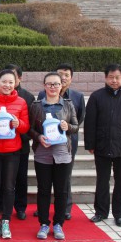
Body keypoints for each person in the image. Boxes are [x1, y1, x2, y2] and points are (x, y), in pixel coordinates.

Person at [84, 63, 121, 227]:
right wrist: (90, 144)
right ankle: (101, 212)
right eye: (111, 77)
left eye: (117, 77)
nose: (114, 80)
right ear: (105, 78)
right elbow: (90, 123)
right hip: (102, 145)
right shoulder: (96, 96)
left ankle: (119, 215)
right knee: (102, 181)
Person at [29, 72, 79, 240]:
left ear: (61, 86)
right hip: (43, 153)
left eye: (56, 84)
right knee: (43, 190)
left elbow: (76, 126)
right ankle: (44, 223)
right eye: (49, 84)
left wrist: (67, 126)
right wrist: (38, 137)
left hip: (62, 153)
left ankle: (58, 223)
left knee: (61, 190)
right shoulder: (36, 106)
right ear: (44, 86)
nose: (53, 87)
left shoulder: (68, 105)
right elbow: (30, 129)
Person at [0, 69, 30, 239]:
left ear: (16, 83)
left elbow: (26, 127)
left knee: (9, 187)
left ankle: (6, 220)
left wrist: (19, 124)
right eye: (4, 81)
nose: (7, 85)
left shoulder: (21, 102)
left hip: (13, 151)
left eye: (11, 82)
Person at [36, 63, 85, 220]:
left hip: (66, 144)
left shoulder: (76, 98)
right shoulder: (41, 97)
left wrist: (67, 127)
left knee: (64, 179)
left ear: (71, 78)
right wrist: (39, 136)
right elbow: (36, 120)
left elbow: (79, 120)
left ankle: (64, 210)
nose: (62, 78)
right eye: (59, 74)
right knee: (44, 184)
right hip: (45, 146)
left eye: (66, 75)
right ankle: (43, 212)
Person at [3, 64, 35, 221]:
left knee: (21, 177)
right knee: (3, 179)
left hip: (21, 145)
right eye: (5, 78)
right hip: (1, 146)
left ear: (19, 78)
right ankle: (3, 206)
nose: (8, 82)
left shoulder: (27, 97)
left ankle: (20, 207)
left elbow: (31, 123)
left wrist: (20, 134)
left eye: (13, 77)